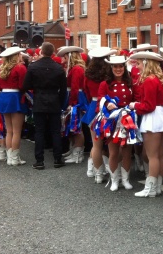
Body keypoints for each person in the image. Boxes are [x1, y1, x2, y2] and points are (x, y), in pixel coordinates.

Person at [128, 51, 163, 198]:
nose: (137, 67)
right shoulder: (158, 79)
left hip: (153, 117)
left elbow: (148, 106)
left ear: (147, 63)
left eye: (139, 63)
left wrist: (134, 105)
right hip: (160, 116)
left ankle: (151, 188)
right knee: (159, 154)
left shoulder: (149, 80)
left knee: (152, 155)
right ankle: (157, 186)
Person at [22, 42, 67, 169]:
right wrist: (61, 102)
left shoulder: (33, 67)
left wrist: (36, 87)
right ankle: (58, 159)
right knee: (55, 131)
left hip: (39, 98)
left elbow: (25, 86)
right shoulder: (58, 68)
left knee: (39, 131)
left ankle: (39, 161)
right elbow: (63, 89)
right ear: (53, 53)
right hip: (54, 99)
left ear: (41, 52)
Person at [99, 55, 134, 191]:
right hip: (112, 121)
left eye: (121, 66)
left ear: (124, 68)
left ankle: (125, 179)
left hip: (127, 120)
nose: (118, 69)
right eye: (115, 66)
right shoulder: (105, 84)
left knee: (126, 151)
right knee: (113, 152)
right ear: (111, 68)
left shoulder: (130, 82)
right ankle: (114, 180)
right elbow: (101, 98)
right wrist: (107, 104)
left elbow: (136, 97)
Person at [83, 47, 116, 183]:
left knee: (96, 144)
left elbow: (86, 91)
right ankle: (110, 170)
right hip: (109, 107)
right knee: (109, 143)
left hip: (94, 106)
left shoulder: (88, 74)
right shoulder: (109, 76)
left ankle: (98, 173)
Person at [0, 47, 29, 166]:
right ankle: (14, 158)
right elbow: (23, 85)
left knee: (8, 130)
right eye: (19, 54)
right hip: (15, 97)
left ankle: (10, 157)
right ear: (16, 56)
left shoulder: (2, 67)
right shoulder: (20, 67)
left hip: (4, 97)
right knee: (17, 131)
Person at [57, 46, 87, 164]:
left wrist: (72, 103)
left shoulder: (76, 69)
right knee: (71, 125)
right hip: (72, 96)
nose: (62, 59)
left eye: (64, 56)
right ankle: (74, 149)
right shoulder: (74, 68)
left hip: (75, 98)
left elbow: (75, 87)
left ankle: (78, 154)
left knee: (76, 126)